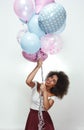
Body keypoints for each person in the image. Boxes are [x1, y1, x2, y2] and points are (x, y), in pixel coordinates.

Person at [25, 59, 69, 130]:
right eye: (51, 77)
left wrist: (44, 91)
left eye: (53, 81)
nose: (50, 80)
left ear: (55, 85)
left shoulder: (53, 96)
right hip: (32, 116)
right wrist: (38, 66)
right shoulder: (37, 85)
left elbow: (46, 108)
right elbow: (28, 81)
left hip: (44, 118)